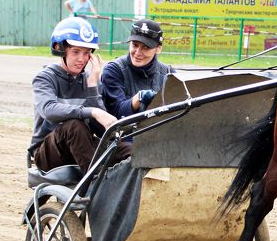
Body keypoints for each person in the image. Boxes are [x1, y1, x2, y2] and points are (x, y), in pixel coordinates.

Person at [29, 17, 130, 173]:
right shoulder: (44, 77)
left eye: (87, 53)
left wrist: (92, 85)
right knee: (75, 125)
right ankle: (95, 183)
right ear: (60, 49)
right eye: (76, 52)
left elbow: (101, 130)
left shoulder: (89, 80)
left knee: (130, 150)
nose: (82, 59)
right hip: (47, 153)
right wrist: (92, 112)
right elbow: (48, 109)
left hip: (81, 147)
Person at [100, 18, 175, 119]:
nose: (138, 52)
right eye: (135, 45)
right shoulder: (114, 70)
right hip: (124, 129)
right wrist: (138, 98)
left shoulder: (169, 73)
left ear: (158, 49)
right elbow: (116, 112)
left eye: (146, 47)